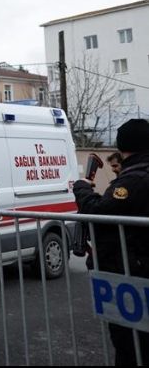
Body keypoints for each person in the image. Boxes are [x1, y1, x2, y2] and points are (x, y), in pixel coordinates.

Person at [74, 119, 149, 366]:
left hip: (132, 270)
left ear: (122, 145)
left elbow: (100, 213)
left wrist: (82, 189)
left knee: (129, 345)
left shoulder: (133, 179)